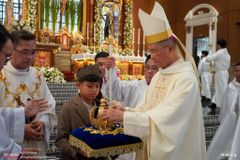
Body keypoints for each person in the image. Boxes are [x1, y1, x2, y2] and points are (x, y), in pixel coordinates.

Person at [102, 2, 206, 160]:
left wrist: (124, 118)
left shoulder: (186, 80)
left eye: (154, 51)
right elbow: (146, 109)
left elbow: (165, 122)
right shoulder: (159, 75)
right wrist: (126, 111)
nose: (152, 57)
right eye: (150, 51)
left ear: (170, 49)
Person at [0, 30, 57, 156]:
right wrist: (19, 128)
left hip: (35, 145)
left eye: (33, 52)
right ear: (12, 50)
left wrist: (42, 123)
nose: (30, 57)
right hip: (8, 147)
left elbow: (49, 105)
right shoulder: (1, 75)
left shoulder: (37, 76)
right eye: (25, 52)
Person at [56, 64, 105, 160]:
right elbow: (61, 139)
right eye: (90, 86)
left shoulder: (102, 107)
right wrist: (78, 151)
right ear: (78, 85)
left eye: (97, 86)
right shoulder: (69, 107)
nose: (94, 90)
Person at [207, 62, 240, 160]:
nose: (238, 73)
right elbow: (226, 103)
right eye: (236, 71)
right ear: (234, 72)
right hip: (233, 118)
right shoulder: (231, 87)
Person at [206, 39, 231, 114]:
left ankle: (223, 106)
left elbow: (208, 59)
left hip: (220, 74)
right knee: (219, 89)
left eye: (217, 45)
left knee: (221, 90)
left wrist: (210, 51)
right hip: (225, 72)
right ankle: (213, 104)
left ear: (219, 45)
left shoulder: (219, 53)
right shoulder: (227, 54)